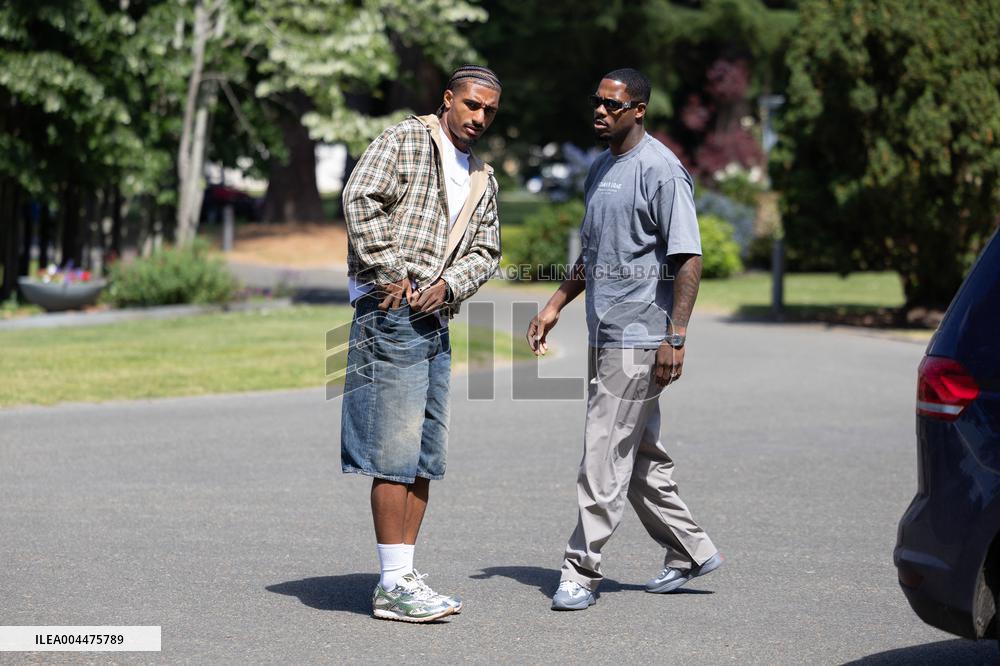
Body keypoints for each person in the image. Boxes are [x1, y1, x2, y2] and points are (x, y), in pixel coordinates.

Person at [526, 68, 723, 611]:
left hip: (639, 338)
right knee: (635, 457)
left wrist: (675, 336)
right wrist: (554, 304)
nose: (601, 111)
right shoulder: (601, 168)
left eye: (613, 105)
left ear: (639, 110)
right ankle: (690, 549)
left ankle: (580, 570)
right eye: (597, 102)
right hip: (604, 331)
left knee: (601, 453)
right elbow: (591, 254)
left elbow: (687, 258)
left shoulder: (661, 170)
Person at [340, 65, 502, 622]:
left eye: (489, 111)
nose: (479, 117)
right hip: (389, 314)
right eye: (472, 105)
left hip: (435, 320)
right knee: (393, 452)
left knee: (424, 456)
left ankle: (404, 576)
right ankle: (391, 585)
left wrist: (447, 287)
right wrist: (394, 275)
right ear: (449, 99)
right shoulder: (406, 139)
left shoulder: (483, 177)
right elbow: (361, 198)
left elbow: (487, 250)